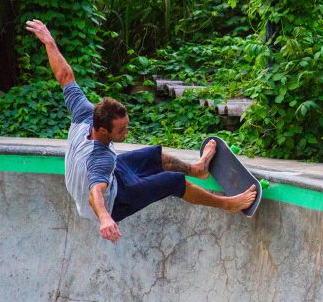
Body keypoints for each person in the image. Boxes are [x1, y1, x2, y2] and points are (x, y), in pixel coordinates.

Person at [26, 19, 256, 244]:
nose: (127, 132)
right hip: (114, 202)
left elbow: (65, 77)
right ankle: (229, 204)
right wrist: (105, 218)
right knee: (174, 181)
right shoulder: (100, 158)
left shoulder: (84, 113)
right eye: (122, 130)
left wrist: (49, 42)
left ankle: (198, 169)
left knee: (155, 156)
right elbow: (95, 192)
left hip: (110, 178)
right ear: (104, 131)